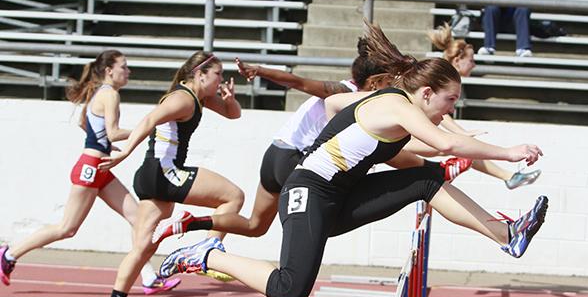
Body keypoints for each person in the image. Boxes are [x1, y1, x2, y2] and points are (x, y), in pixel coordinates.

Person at [157, 22, 548, 297]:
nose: (450, 111)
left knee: (427, 179)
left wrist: (340, 137)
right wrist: (507, 152)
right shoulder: (396, 105)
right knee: (290, 289)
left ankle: (505, 234)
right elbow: (444, 143)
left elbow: (334, 107)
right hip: (306, 193)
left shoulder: (385, 104)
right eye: (450, 101)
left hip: (338, 196)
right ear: (426, 93)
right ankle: (207, 255)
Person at [150, 39, 475, 251]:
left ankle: (198, 230)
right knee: (363, 172)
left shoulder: (339, 90)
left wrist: (260, 69)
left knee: (254, 226)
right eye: (390, 83)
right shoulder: (368, 100)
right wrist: (443, 156)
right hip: (298, 161)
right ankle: (438, 171)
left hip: (274, 156)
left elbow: (297, 82)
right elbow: (397, 148)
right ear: (377, 83)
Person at [0, 50, 180, 295]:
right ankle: (8, 254)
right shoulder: (110, 95)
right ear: (109, 71)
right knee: (67, 228)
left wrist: (103, 144)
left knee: (139, 219)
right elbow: (114, 131)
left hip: (100, 167)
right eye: (124, 67)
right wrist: (145, 130)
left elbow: (86, 124)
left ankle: (148, 277)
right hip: (91, 168)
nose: (129, 72)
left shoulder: (100, 93)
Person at [95, 51, 244, 297]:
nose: (221, 80)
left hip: (152, 176)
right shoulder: (184, 98)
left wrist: (229, 98)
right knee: (233, 197)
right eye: (218, 75)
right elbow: (150, 118)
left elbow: (234, 114)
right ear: (200, 75)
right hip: (165, 173)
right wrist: (125, 151)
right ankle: (206, 251)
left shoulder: (200, 97)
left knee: (143, 248)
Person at [428, 22, 541, 189]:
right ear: (458, 60)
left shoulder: (446, 77)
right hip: (410, 132)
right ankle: (508, 177)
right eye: (471, 60)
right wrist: (461, 132)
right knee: (462, 149)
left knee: (465, 151)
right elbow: (438, 111)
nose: (474, 65)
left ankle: (508, 177)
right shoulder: (443, 77)